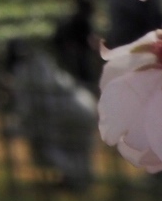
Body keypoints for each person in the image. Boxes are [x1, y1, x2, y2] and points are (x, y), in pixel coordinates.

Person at [7, 40, 97, 189]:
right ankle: (80, 183)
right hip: (83, 103)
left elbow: (28, 109)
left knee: (44, 145)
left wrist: (15, 127)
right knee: (79, 148)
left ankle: (75, 180)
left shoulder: (23, 72)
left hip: (66, 110)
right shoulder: (42, 60)